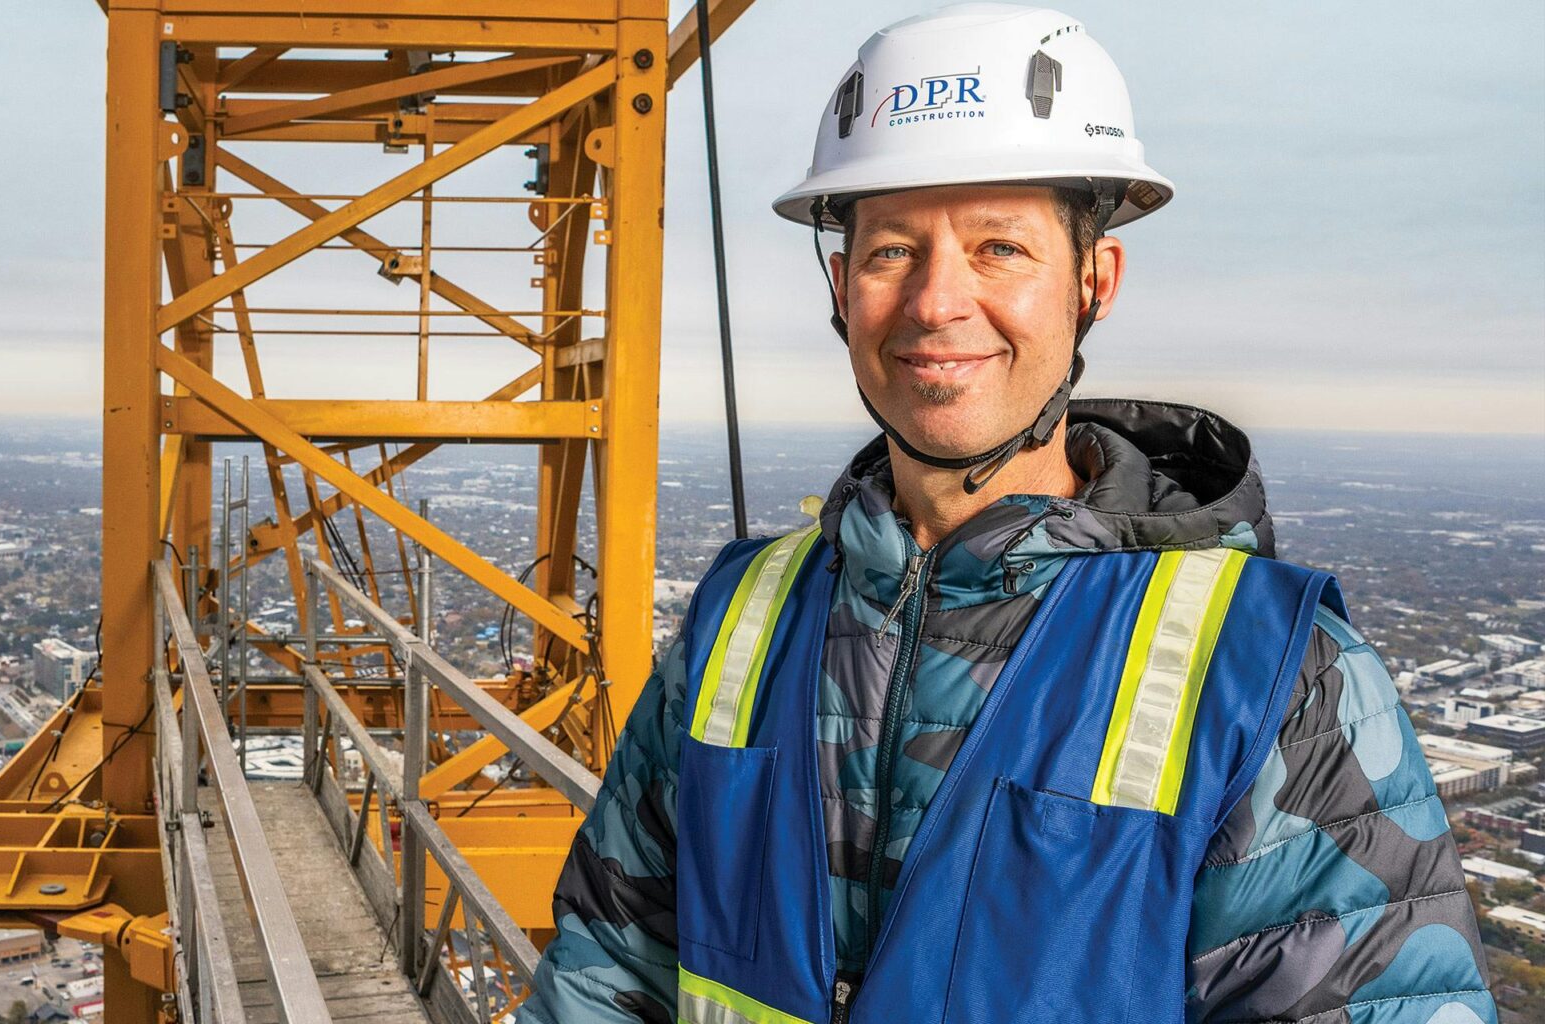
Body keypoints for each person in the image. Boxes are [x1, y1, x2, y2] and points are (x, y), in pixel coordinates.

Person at [519, 5, 1497, 1022]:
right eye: (893, 250)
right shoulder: (739, 621)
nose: (938, 302)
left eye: (998, 248)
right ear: (840, 285)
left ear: (1093, 281)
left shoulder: (1267, 671)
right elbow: (609, 967)